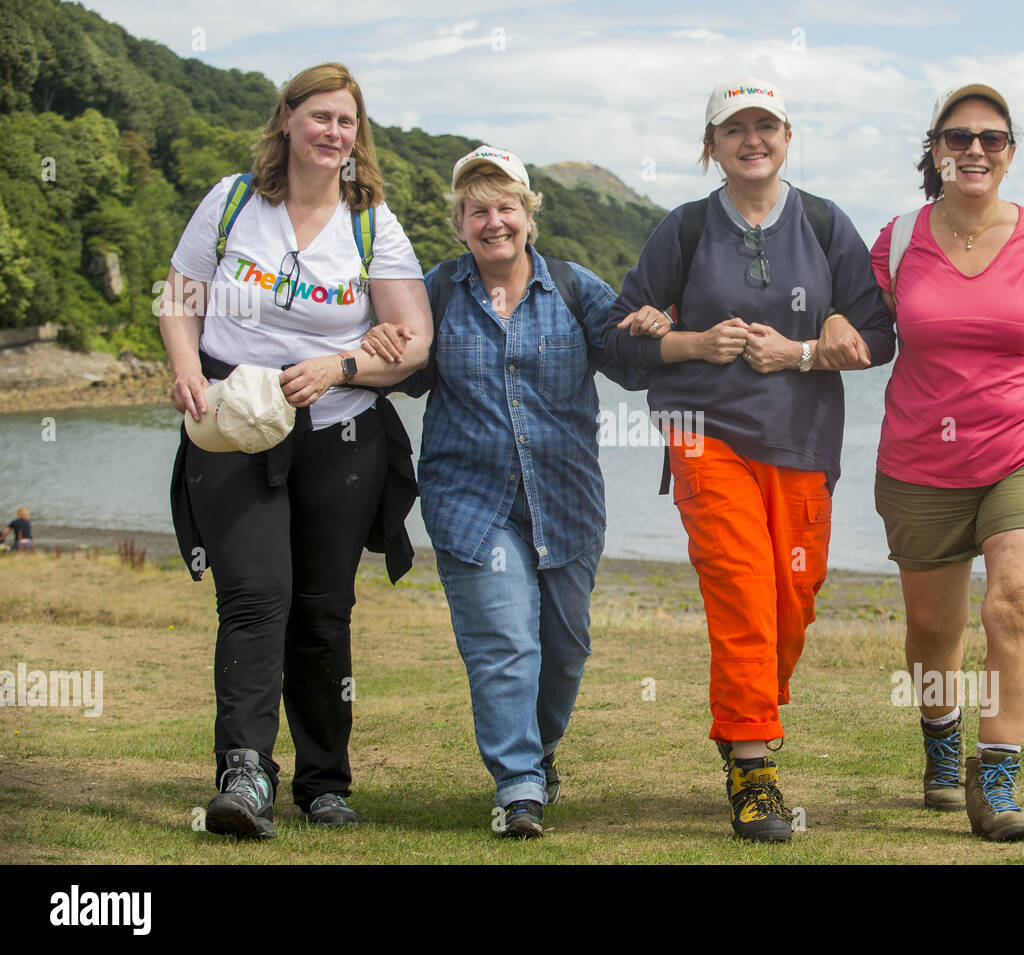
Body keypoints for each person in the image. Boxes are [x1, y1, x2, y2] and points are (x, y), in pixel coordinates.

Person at [604, 78, 895, 841]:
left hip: (802, 442)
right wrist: (690, 341)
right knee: (741, 590)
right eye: (734, 128)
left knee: (791, 600)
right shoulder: (686, 228)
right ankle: (753, 767)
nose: (751, 138)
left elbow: (877, 338)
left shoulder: (828, 225)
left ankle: (752, 717)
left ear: (788, 136)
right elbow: (619, 342)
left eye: (766, 125)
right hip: (705, 434)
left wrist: (807, 347)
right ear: (712, 146)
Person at [161, 62, 433, 840]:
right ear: (287, 120)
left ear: (358, 135)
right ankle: (244, 770)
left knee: (323, 610)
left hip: (341, 434)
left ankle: (323, 783)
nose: (332, 133)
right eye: (319, 117)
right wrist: (185, 368)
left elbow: (414, 340)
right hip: (232, 425)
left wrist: (345, 364)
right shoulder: (232, 201)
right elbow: (179, 299)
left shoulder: (372, 220)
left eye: (346, 122)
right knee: (253, 595)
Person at [362, 145, 646, 838]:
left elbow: (632, 369)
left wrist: (653, 330)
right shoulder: (435, 291)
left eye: (506, 207)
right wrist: (372, 347)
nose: (495, 221)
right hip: (470, 500)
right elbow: (400, 373)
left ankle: (538, 755)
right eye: (478, 210)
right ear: (459, 223)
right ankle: (518, 784)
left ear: (529, 216)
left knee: (566, 647)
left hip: (567, 500)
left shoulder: (577, 288)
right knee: (505, 643)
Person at [865, 83, 1024, 841]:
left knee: (1018, 602)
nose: (975, 149)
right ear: (934, 150)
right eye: (958, 136)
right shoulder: (898, 241)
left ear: (1009, 153)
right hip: (920, 461)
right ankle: (941, 743)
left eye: (992, 138)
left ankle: (996, 778)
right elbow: (860, 335)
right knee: (934, 631)